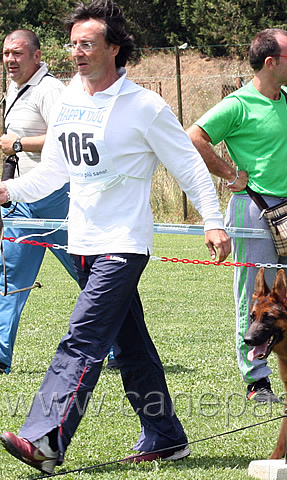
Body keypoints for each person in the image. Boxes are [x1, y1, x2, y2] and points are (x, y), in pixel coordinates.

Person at [0, 0, 230, 474]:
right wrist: (7, 190)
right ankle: (166, 437)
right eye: (73, 44)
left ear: (115, 49)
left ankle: (45, 439)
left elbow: (188, 166)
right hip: (79, 241)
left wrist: (213, 219)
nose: (77, 52)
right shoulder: (68, 100)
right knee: (130, 347)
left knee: (82, 338)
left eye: (87, 44)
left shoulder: (144, 106)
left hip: (122, 244)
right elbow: (53, 176)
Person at [188, 28, 287, 403]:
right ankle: (257, 381)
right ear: (270, 62)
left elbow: (277, 150)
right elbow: (193, 137)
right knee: (255, 300)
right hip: (251, 211)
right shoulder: (237, 104)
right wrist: (229, 174)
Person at [0, 29, 78, 375]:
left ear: (36, 55)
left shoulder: (51, 91)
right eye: (5, 53)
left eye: (17, 53)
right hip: (22, 203)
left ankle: (117, 348)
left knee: (92, 280)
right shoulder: (15, 88)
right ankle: (1, 356)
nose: (10, 60)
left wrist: (18, 144)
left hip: (57, 202)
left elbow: (64, 140)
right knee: (9, 280)